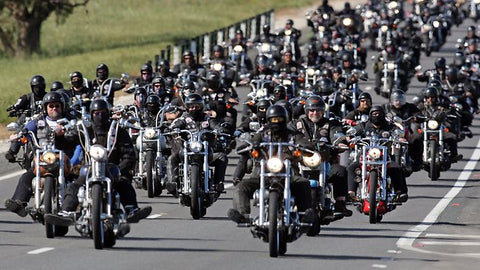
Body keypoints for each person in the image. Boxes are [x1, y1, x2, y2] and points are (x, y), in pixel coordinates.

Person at [44, 99, 152, 226]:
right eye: (96, 113)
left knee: (124, 183)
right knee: (74, 185)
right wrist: (60, 136)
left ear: (107, 113)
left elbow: (129, 155)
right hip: (89, 169)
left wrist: (119, 169)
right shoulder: (84, 130)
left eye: (102, 113)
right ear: (91, 114)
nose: (99, 116)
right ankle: (66, 212)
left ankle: (131, 209)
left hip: (113, 170)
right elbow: (65, 146)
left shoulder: (117, 130)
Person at [227, 105, 315, 224]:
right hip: (263, 174)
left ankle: (304, 215)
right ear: (269, 120)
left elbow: (305, 144)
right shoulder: (263, 134)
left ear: (285, 119)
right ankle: (243, 215)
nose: (277, 122)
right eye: (274, 120)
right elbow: (252, 142)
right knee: (242, 186)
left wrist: (305, 147)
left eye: (279, 119)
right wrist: (252, 146)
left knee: (304, 183)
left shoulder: (293, 135)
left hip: (288, 174)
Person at [4, 92, 80, 217]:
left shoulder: (69, 122)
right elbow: (26, 130)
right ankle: (19, 202)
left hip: (65, 159)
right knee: (27, 176)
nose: (54, 108)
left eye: (57, 106)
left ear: (62, 107)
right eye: (51, 106)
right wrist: (18, 135)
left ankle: (74, 207)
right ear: (46, 108)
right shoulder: (39, 121)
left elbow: (81, 132)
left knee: (76, 181)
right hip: (44, 158)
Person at [291, 96, 352, 217]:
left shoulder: (330, 123)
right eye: (312, 110)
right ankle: (283, 201)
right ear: (306, 110)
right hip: (300, 163)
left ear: (323, 111)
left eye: (318, 110)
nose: (315, 113)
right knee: (283, 172)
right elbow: (287, 133)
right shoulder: (297, 123)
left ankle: (340, 203)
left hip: (325, 161)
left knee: (340, 171)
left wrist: (341, 141)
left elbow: (337, 133)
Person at [165, 93, 228, 196]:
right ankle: (174, 183)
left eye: (196, 106)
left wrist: (219, 129)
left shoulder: (207, 119)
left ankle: (217, 184)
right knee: (173, 157)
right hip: (187, 151)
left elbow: (215, 124)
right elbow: (174, 125)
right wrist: (171, 129)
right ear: (187, 107)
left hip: (206, 151)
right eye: (191, 106)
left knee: (221, 157)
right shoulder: (183, 118)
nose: (194, 109)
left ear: (201, 106)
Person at [347, 106, 409, 203]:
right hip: (365, 155)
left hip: (384, 156)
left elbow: (397, 133)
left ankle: (400, 192)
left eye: (379, 114)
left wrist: (399, 138)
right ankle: (351, 193)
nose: (377, 116)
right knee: (351, 167)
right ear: (370, 115)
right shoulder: (364, 126)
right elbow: (352, 132)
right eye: (374, 114)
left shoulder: (389, 127)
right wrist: (349, 136)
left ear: (383, 115)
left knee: (396, 167)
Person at [383, 90, 423, 172]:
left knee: (418, 137)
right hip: (390, 132)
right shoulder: (386, 107)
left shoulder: (410, 107)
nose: (398, 102)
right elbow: (378, 114)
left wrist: (417, 116)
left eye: (400, 100)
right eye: (396, 100)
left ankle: (417, 162)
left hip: (406, 132)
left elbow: (418, 113)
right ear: (392, 100)